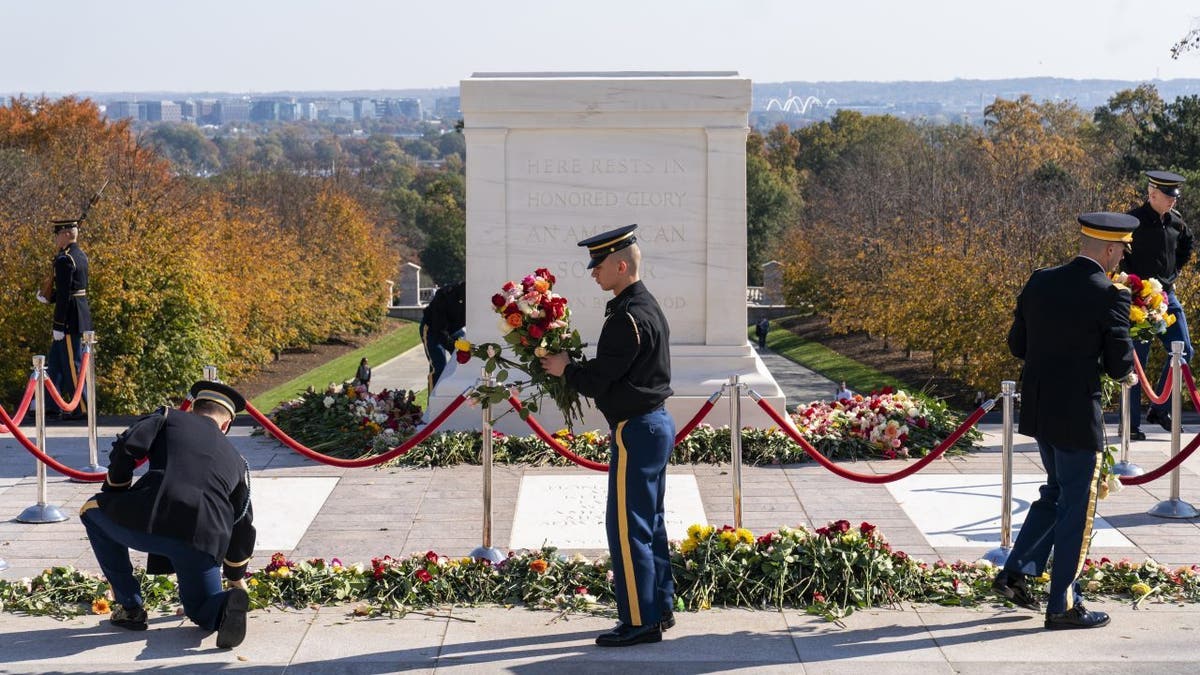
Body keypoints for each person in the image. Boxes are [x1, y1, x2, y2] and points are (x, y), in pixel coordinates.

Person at [994, 212, 1138, 630]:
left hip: (1040, 409)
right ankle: (1063, 604)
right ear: (1110, 248)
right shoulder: (1110, 295)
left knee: (1056, 491)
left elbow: (1018, 346)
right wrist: (1126, 356)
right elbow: (1117, 365)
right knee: (1078, 505)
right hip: (1078, 414)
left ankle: (1016, 571)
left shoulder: (1040, 280)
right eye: (1121, 252)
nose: (1121, 261)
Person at [541, 224, 675, 647]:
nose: (593, 272)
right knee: (649, 523)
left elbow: (601, 378)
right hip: (653, 424)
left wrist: (567, 369)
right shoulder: (645, 306)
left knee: (627, 527)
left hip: (635, 429)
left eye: (598, 265)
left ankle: (639, 620)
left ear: (620, 265)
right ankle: (658, 609)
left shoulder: (626, 317)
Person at [80, 381, 256, 648]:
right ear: (226, 426)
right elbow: (242, 523)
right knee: (200, 609)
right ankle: (225, 605)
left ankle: (130, 607)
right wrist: (235, 577)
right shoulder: (238, 461)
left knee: (92, 511)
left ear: (194, 409)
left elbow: (127, 447)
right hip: (205, 541)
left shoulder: (167, 417)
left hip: (155, 518)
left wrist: (116, 493)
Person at [1121, 170, 1192, 440]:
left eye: (1175, 197)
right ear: (1152, 194)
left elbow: (1186, 245)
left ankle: (1160, 408)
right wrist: (1132, 284)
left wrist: (1173, 274)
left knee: (1184, 350)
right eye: (1167, 196)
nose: (1173, 201)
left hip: (1167, 295)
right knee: (1138, 359)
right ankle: (1131, 424)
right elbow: (1119, 253)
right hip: (1139, 297)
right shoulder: (1133, 221)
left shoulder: (1176, 222)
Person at [37, 218, 92, 421]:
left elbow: (64, 295)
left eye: (58, 234)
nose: (56, 238)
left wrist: (58, 325)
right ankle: (52, 405)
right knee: (56, 363)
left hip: (69, 318)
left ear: (68, 234)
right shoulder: (79, 255)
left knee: (72, 364)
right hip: (78, 312)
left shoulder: (65, 259)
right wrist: (47, 296)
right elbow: (70, 289)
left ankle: (83, 406)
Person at [419, 281, 466, 391]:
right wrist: (454, 347)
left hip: (454, 329)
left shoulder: (474, 296)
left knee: (465, 361)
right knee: (439, 367)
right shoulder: (445, 296)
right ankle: (434, 403)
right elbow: (439, 330)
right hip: (432, 329)